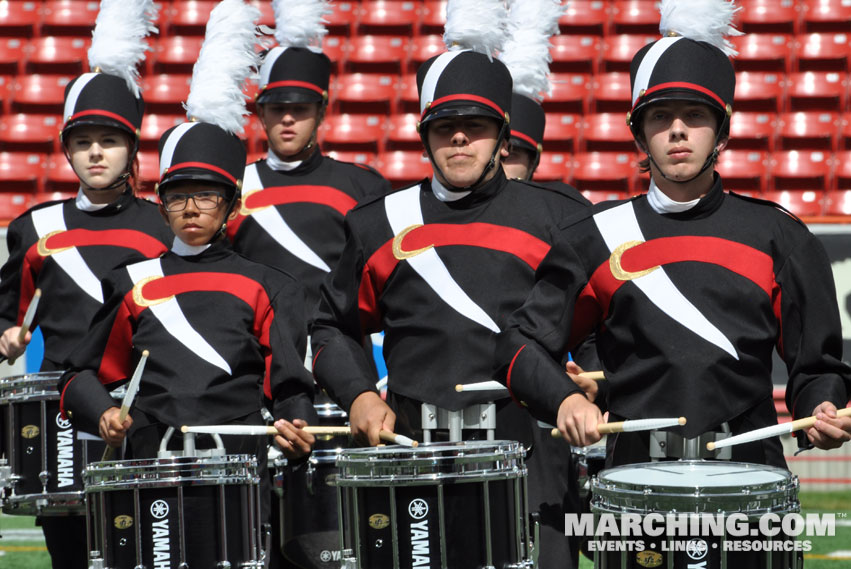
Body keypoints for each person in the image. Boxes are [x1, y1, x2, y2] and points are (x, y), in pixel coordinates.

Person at [496, 0, 851, 471]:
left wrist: (820, 408)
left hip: (751, 473)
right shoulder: (594, 237)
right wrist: (564, 399)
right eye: (660, 117)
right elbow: (519, 343)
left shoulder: (780, 237)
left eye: (695, 116)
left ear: (721, 132)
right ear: (640, 135)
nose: (678, 130)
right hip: (635, 479)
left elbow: (816, 367)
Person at [310, 4, 591, 564]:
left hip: (531, 456)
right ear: (424, 137)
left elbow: (597, 322)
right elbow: (332, 327)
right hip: (415, 456)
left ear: (503, 138)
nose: (459, 139)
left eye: (476, 127)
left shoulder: (555, 219)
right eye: (444, 127)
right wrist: (360, 393)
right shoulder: (377, 223)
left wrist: (589, 383)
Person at [57, 0, 316, 556]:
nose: (192, 208)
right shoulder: (131, 281)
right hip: (150, 471)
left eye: (207, 196)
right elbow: (79, 375)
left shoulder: (268, 285)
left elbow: (290, 385)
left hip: (239, 473)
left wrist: (296, 430)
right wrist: (102, 412)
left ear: (232, 205)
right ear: (161, 202)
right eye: (178, 196)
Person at [0, 2, 169, 566]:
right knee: (72, 556)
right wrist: (6, 336)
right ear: (67, 150)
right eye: (83, 142)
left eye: (110, 140)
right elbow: (6, 311)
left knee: (145, 552)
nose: (96, 152)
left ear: (131, 149)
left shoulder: (164, 225)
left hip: (145, 412)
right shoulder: (34, 227)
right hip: (61, 419)